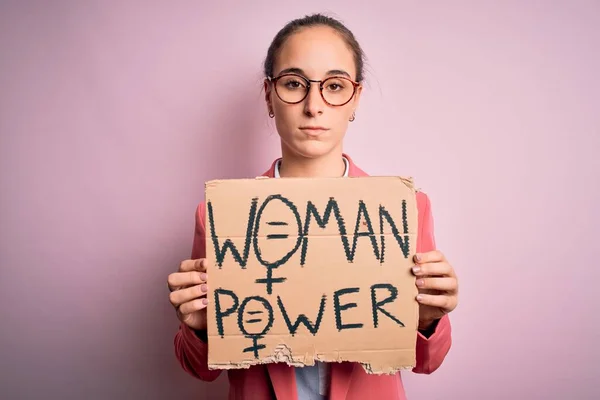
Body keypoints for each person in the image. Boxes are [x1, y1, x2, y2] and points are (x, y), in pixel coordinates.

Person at [167, 13, 459, 400]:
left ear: (354, 97)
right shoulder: (220, 215)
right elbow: (200, 368)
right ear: (269, 95)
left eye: (334, 86)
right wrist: (202, 327)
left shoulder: (405, 210)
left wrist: (427, 319)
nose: (313, 105)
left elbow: (427, 362)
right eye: (293, 84)